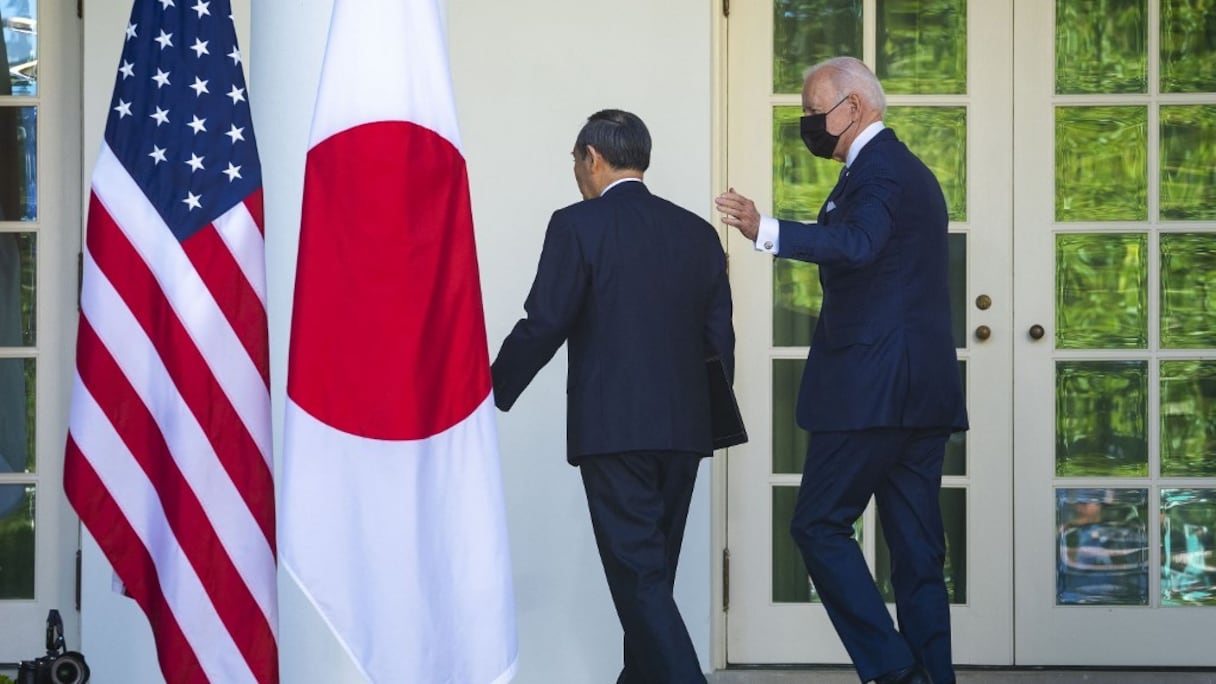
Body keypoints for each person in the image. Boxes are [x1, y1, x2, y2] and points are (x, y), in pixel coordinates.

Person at [715, 56, 968, 684]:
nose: (806, 123)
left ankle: (893, 670)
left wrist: (764, 229)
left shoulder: (879, 171)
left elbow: (856, 244)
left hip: (872, 393)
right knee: (916, 555)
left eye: (811, 111)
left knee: (818, 525)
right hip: (919, 396)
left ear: (852, 107)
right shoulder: (902, 170)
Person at [492, 108, 734, 684]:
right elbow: (719, 339)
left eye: (576, 162)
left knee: (641, 580)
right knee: (650, 578)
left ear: (593, 158)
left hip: (614, 432)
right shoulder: (697, 232)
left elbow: (544, 323)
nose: (576, 174)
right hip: (684, 432)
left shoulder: (578, 225)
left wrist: (489, 392)